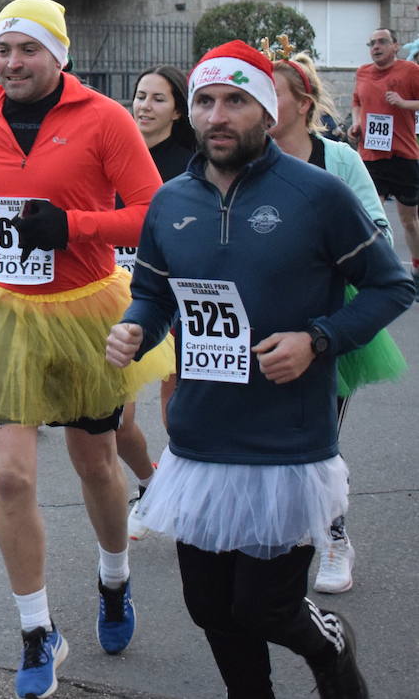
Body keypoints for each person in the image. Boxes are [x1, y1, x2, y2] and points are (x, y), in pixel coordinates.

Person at [106, 39, 413, 699]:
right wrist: (137, 326)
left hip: (287, 439)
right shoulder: (170, 202)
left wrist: (319, 339)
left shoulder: (319, 196)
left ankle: (333, 650)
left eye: (237, 101)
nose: (218, 115)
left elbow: (393, 286)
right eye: (207, 101)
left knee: (267, 607)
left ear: (268, 112)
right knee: (210, 608)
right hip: (200, 436)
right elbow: (157, 293)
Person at [0, 0, 173, 699]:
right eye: (5, 50)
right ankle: (38, 631)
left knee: (96, 462)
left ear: (57, 54)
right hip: (6, 314)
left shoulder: (103, 118)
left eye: (28, 50)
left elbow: (151, 210)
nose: (13, 63)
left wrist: (70, 227)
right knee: (9, 475)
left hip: (86, 309)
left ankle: (113, 581)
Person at [268, 50, 406, 597]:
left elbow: (380, 237)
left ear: (303, 104)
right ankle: (276, 535)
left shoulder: (339, 161)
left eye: (269, 92)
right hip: (261, 313)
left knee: (318, 431)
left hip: (329, 317)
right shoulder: (244, 158)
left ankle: (334, 537)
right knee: (270, 432)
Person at [121, 65, 196, 542]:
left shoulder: (191, 161)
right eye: (140, 96)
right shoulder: (114, 150)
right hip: (115, 295)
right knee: (115, 422)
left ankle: (185, 493)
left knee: (177, 413)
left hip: (175, 298)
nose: (144, 106)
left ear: (178, 110)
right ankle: (151, 484)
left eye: (157, 99)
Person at [349, 27, 419, 277]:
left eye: (381, 42)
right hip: (370, 155)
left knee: (408, 220)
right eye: (371, 43)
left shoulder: (410, 71)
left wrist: (404, 103)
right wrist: (356, 123)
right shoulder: (363, 73)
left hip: (402, 154)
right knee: (371, 216)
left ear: (395, 46)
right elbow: (357, 102)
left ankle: (417, 268)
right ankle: (381, 271)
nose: (375, 47)